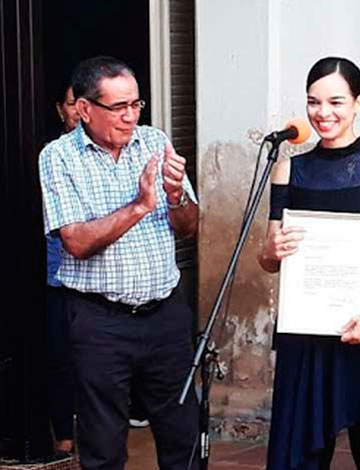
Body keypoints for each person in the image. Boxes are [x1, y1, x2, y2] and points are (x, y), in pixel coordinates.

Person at [258, 57, 360, 470]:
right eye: (314, 102)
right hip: (306, 331)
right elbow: (268, 258)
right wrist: (272, 250)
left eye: (335, 101)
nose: (323, 113)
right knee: (299, 454)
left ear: (357, 103)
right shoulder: (288, 169)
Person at [38, 56, 200, 470]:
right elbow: (74, 241)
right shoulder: (58, 157)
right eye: (118, 107)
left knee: (182, 433)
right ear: (84, 109)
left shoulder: (155, 140)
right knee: (103, 442)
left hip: (165, 313)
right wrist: (142, 205)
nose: (130, 117)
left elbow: (189, 227)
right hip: (100, 322)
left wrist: (176, 195)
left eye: (136, 105)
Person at [46, 83, 80, 455]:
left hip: (99, 280)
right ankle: (63, 438)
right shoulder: (50, 157)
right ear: (61, 109)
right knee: (58, 357)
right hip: (55, 273)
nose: (77, 112)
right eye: (72, 104)